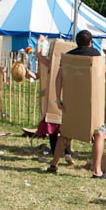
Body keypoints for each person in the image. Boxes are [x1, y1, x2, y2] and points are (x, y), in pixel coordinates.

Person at [43, 30, 106, 179]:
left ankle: (54, 164)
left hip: (71, 102)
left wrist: (58, 100)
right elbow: (105, 73)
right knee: (100, 133)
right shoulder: (95, 54)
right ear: (90, 42)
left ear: (77, 42)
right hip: (91, 104)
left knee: (65, 133)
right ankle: (97, 171)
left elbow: (58, 78)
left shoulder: (68, 56)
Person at [34, 35, 74, 165]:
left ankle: (57, 153)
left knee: (55, 130)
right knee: (64, 130)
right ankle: (67, 153)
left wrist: (39, 41)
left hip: (56, 102)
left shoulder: (52, 63)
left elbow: (38, 55)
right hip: (64, 100)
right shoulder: (69, 63)